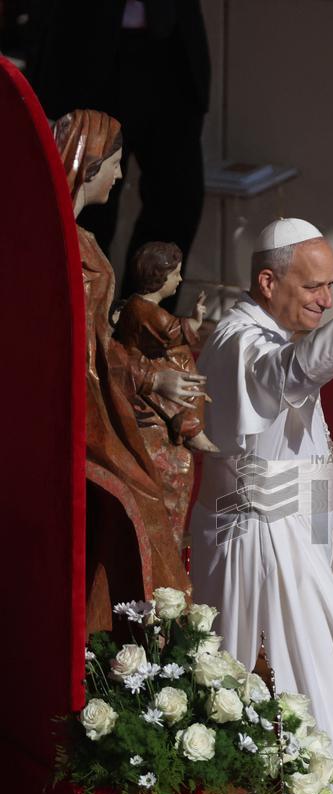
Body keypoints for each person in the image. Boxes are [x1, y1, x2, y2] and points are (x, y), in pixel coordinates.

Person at [190, 218, 333, 794]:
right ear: (267, 281)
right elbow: (290, 374)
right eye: (314, 287)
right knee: (305, 678)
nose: (325, 300)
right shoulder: (241, 343)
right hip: (257, 537)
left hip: (292, 529)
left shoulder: (268, 332)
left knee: (328, 675)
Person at [53, 109, 206, 629]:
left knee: (150, 485)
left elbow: (98, 344)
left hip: (103, 394)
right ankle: (145, 633)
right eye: (114, 164)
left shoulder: (86, 244)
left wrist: (150, 377)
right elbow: (75, 351)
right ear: (87, 164)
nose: (120, 176)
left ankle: (120, 633)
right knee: (141, 494)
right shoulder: (59, 249)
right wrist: (146, 379)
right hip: (75, 408)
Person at [29, 1, 210, 295]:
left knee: (178, 200)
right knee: (88, 204)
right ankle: (87, 326)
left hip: (172, 48)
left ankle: (140, 324)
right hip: (85, 49)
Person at [115, 241, 219, 455]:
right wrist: (196, 320)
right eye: (176, 274)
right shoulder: (148, 311)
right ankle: (190, 427)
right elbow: (174, 333)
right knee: (188, 374)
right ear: (159, 277)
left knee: (187, 367)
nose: (180, 280)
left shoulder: (137, 304)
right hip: (142, 366)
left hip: (147, 358)